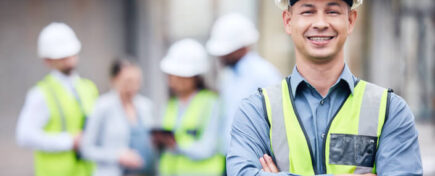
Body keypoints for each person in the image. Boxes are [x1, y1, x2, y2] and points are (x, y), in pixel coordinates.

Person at [227, 0, 423, 175]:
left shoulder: (390, 110)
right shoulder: (256, 111)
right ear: (288, 21)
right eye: (308, 11)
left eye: (332, 11)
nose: (320, 23)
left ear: (351, 20)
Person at [16, 22, 98, 176]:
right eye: (62, 56)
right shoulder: (40, 94)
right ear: (47, 60)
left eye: (70, 54)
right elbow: (24, 136)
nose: (68, 59)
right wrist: (68, 141)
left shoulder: (89, 88)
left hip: (86, 171)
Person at [206, 13, 282, 154]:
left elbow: (277, 121)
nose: (220, 56)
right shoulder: (228, 76)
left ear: (241, 47)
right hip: (230, 156)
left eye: (225, 51)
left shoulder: (265, 75)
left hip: (255, 159)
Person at [158, 39, 225, 176]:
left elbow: (208, 147)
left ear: (193, 77)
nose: (172, 81)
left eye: (178, 76)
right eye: (171, 76)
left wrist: (177, 146)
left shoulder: (211, 102)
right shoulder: (171, 104)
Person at [80, 59, 156, 176]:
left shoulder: (146, 106)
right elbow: (86, 149)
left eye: (137, 81)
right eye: (128, 81)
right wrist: (117, 156)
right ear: (114, 80)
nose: (133, 87)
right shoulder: (102, 106)